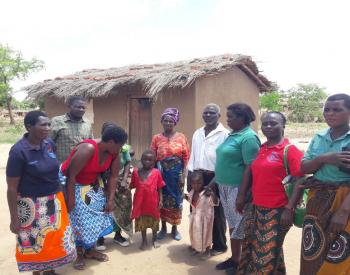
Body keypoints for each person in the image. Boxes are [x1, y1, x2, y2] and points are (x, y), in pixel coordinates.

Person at [6, 111, 76, 275]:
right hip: (31, 205)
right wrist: (14, 218)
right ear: (29, 126)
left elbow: (55, 173)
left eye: (49, 124)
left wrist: (63, 196)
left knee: (51, 239)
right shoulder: (18, 152)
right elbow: (11, 188)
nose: (47, 128)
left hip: (54, 200)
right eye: (43, 124)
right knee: (34, 241)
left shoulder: (49, 144)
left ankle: (49, 270)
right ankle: (36, 272)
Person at [236, 111, 304, 275]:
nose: (268, 126)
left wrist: (289, 208)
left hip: (278, 210)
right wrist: (243, 197)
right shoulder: (262, 148)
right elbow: (255, 174)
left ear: (283, 126)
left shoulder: (290, 150)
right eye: (265, 123)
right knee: (254, 246)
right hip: (256, 208)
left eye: (273, 123)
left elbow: (300, 180)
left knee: (264, 254)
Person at [61, 125, 128, 270]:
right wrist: (71, 199)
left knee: (99, 213)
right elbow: (70, 176)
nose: (121, 148)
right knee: (78, 218)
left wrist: (110, 200)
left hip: (91, 182)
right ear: (111, 142)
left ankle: (90, 250)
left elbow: (114, 176)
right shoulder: (88, 149)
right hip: (72, 182)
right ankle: (78, 253)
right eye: (120, 145)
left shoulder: (114, 153)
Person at [299, 93, 350, 275]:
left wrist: (344, 211)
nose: (330, 113)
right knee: (311, 250)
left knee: (339, 254)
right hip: (317, 200)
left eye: (337, 109)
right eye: (327, 109)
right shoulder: (319, 137)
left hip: (344, 200)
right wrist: (325, 158)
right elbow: (304, 167)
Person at [213, 103, 261, 275]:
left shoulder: (248, 138)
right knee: (233, 225)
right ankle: (235, 259)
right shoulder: (233, 134)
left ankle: (242, 264)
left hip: (236, 189)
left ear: (242, 118)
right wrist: (213, 182)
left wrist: (242, 194)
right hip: (224, 187)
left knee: (239, 226)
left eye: (231, 116)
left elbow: (251, 167)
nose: (227, 119)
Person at [187, 103, 229, 256]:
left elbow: (224, 161)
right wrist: (189, 177)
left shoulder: (224, 134)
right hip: (197, 176)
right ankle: (199, 243)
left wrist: (213, 183)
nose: (208, 115)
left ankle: (219, 245)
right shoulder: (198, 132)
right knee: (196, 212)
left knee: (216, 214)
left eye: (212, 113)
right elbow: (193, 155)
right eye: (205, 113)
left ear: (219, 116)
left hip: (215, 177)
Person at [151, 108, 190, 241]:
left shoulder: (181, 137)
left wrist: (183, 176)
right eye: (165, 121)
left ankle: (174, 229)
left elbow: (186, 158)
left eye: (171, 121)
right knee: (161, 200)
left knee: (177, 201)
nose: (168, 123)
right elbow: (152, 157)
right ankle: (163, 228)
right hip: (161, 175)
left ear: (175, 122)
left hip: (176, 175)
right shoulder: (156, 138)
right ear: (162, 122)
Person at [96, 123, 133, 250]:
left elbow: (128, 163)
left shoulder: (122, 149)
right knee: (101, 209)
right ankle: (100, 238)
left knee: (121, 209)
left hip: (119, 182)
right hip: (101, 183)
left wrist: (124, 180)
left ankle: (118, 235)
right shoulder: (98, 149)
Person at [130, 149, 165, 250]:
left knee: (154, 221)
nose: (147, 162)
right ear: (141, 160)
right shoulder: (136, 172)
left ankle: (154, 239)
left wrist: (161, 200)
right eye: (145, 159)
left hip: (153, 203)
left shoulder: (156, 172)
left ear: (154, 162)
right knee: (142, 222)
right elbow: (132, 185)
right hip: (140, 203)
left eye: (150, 160)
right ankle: (144, 240)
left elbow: (160, 187)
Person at [49, 95, 93, 163]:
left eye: (83, 108)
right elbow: (48, 143)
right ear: (69, 106)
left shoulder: (87, 123)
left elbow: (91, 143)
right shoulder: (56, 121)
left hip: (81, 165)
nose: (81, 109)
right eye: (78, 107)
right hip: (61, 166)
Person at [186, 171, 219, 260]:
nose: (196, 185)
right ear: (191, 183)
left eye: (199, 183)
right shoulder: (192, 192)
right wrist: (183, 196)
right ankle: (197, 248)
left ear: (203, 182)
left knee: (206, 235)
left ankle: (207, 251)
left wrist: (212, 193)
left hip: (205, 220)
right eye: (193, 183)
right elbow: (189, 200)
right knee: (194, 233)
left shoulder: (207, 193)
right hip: (195, 218)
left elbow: (216, 202)